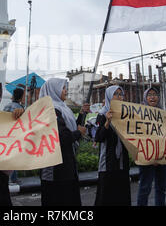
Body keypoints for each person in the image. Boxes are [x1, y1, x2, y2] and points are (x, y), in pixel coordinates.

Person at [38, 78, 88, 206]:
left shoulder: (62, 108)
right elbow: (62, 137)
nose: (66, 91)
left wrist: (81, 114)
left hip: (66, 163)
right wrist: (79, 133)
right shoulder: (51, 110)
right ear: (54, 90)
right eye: (63, 88)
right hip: (56, 168)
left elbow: (69, 129)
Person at [94, 85, 131, 206]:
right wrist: (107, 122)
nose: (119, 97)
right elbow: (98, 137)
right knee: (106, 195)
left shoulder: (126, 114)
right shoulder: (102, 114)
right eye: (116, 94)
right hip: (108, 162)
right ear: (109, 96)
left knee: (122, 194)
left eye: (121, 94)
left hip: (122, 161)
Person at [136, 87, 166, 206]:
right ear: (145, 97)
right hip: (146, 157)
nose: (152, 97)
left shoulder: (164, 114)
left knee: (161, 188)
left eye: (155, 94)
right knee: (145, 188)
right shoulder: (139, 114)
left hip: (163, 157)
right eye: (149, 94)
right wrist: (152, 156)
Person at [2, 88, 25, 184]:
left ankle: (7, 178)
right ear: (20, 97)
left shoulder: (6, 106)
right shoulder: (21, 109)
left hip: (5, 136)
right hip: (15, 137)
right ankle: (13, 179)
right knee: (14, 158)